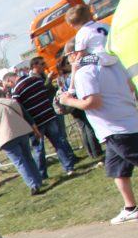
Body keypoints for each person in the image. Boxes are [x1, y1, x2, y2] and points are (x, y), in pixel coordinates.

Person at [58, 37, 138, 224]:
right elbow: (131, 87)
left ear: (75, 53)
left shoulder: (85, 72)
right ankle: (130, 207)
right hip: (124, 121)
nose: (67, 60)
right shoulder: (111, 63)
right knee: (116, 169)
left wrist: (67, 101)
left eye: (68, 56)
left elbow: (92, 102)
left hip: (116, 128)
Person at [7, 69, 78, 179]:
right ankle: (69, 167)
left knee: (38, 149)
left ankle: (42, 174)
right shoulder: (36, 80)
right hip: (48, 115)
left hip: (36, 122)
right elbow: (45, 93)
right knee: (58, 142)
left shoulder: (16, 91)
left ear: (9, 81)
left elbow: (19, 108)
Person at [0, 85, 44, 195]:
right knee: (28, 158)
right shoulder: (12, 102)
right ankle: (38, 181)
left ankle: (33, 185)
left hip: (6, 138)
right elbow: (27, 117)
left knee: (20, 162)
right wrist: (35, 130)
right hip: (22, 132)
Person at [57, 53, 104, 161]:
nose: (70, 64)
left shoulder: (61, 78)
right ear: (65, 66)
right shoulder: (71, 77)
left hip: (71, 104)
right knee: (87, 127)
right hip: (77, 102)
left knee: (83, 128)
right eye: (68, 63)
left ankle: (91, 151)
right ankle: (96, 150)